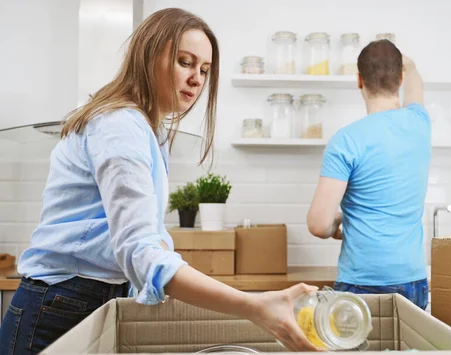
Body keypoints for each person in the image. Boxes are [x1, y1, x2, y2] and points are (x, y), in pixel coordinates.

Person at [0, 8, 320, 355]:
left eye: (205, 70)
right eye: (186, 61)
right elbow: (140, 250)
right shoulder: (119, 126)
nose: (197, 79)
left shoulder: (146, 131)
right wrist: (252, 306)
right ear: (150, 55)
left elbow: (150, 241)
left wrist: (173, 270)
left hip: (83, 299)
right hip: (60, 305)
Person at [306, 39, 430, 310]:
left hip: (361, 282)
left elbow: (318, 224)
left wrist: (338, 224)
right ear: (400, 78)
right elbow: (416, 83)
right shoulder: (420, 123)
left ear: (359, 80)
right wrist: (408, 64)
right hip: (413, 279)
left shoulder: (346, 140)